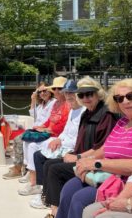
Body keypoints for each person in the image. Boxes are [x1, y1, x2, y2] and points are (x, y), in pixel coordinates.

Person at [57, 78, 132, 218]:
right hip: (106, 174)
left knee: (80, 199)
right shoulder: (122, 121)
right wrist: (84, 161)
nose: (125, 101)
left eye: (131, 96)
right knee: (69, 188)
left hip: (125, 181)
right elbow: (104, 150)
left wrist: (97, 164)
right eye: (119, 98)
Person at [35, 76, 117, 217]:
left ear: (98, 93)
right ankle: (54, 207)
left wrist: (78, 157)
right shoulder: (88, 113)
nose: (85, 98)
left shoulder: (106, 115)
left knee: (55, 169)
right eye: (81, 94)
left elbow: (102, 148)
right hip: (83, 155)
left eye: (89, 93)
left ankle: (55, 211)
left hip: (92, 159)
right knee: (49, 164)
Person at [28, 80, 86, 208]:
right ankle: (43, 191)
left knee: (48, 162)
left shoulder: (83, 111)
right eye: (67, 93)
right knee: (38, 155)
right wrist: (59, 139)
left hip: (72, 148)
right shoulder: (72, 109)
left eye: (72, 93)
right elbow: (66, 130)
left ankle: (48, 198)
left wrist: (61, 141)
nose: (68, 96)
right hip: (64, 143)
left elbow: (78, 138)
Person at [18, 76, 71, 196]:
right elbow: (50, 120)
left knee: (32, 146)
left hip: (56, 135)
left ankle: (34, 183)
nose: (57, 91)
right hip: (49, 133)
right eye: (55, 88)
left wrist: (48, 129)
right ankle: (32, 177)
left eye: (60, 89)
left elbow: (63, 124)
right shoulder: (57, 103)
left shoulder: (68, 105)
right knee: (28, 142)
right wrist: (42, 126)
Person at [3, 82, 56, 180]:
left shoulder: (53, 103)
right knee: (19, 139)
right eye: (40, 92)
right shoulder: (41, 105)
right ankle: (24, 168)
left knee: (20, 139)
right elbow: (32, 114)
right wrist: (33, 99)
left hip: (44, 131)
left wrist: (40, 128)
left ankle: (19, 169)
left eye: (45, 91)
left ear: (50, 91)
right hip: (36, 130)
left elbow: (50, 121)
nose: (42, 93)